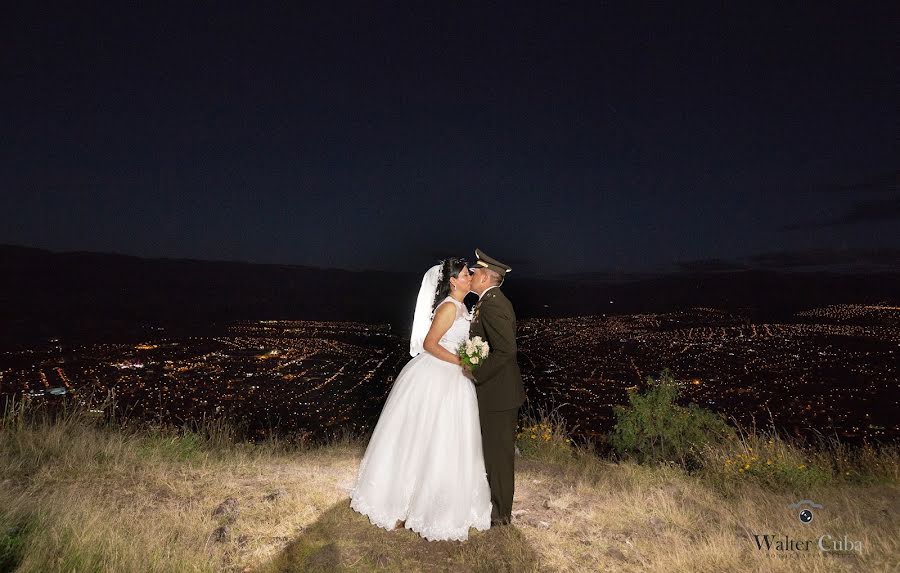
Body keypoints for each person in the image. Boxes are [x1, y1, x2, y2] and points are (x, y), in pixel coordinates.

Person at [349, 258, 492, 541]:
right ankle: (408, 503)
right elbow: (429, 344)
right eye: (465, 274)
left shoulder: (462, 307)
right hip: (438, 377)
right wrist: (461, 361)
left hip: (454, 378)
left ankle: (447, 499)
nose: (470, 277)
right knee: (429, 437)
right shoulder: (450, 306)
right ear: (453, 281)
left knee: (449, 440)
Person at [466, 248, 526, 526]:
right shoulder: (488, 301)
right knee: (492, 452)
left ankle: (501, 514)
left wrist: (477, 374)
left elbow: (507, 351)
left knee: (499, 456)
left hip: (498, 394)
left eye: (476, 272)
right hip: (496, 393)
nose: (472, 275)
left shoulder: (493, 304)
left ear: (487, 277)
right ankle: (495, 505)